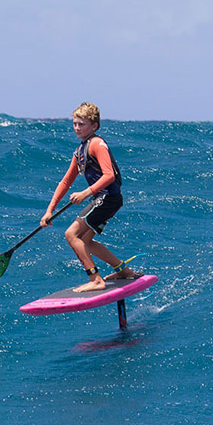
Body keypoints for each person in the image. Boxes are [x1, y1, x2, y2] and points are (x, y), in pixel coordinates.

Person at [40, 102, 139, 292]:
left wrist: (85, 193)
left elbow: (109, 175)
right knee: (85, 241)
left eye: (82, 124)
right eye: (75, 123)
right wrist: (49, 210)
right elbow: (65, 182)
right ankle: (124, 271)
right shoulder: (79, 152)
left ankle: (95, 279)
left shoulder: (97, 144)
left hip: (108, 197)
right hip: (103, 199)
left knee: (71, 234)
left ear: (94, 126)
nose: (77, 128)